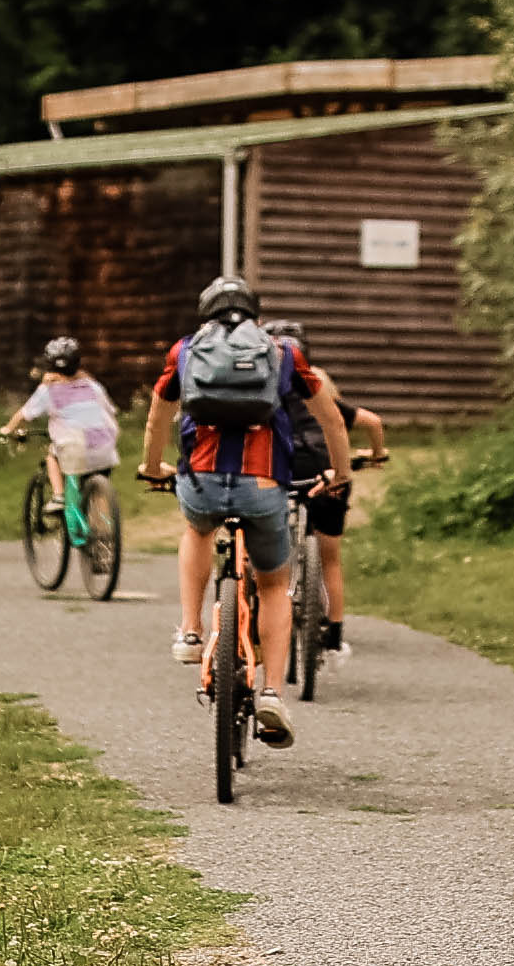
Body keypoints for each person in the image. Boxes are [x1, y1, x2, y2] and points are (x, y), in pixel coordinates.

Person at [136, 275, 348, 748]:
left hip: (203, 480)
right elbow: (330, 416)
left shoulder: (185, 351)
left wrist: (152, 467)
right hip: (263, 484)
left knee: (197, 532)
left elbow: (158, 415)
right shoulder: (283, 354)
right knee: (274, 583)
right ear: (254, 312)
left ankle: (191, 632)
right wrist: (341, 472)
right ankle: (272, 690)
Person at [269, 321, 384, 646]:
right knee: (329, 556)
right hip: (329, 470)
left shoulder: (265, 395)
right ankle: (333, 632)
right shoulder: (320, 388)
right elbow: (372, 422)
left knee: (266, 545)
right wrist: (376, 455)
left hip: (284, 469)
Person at [5, 336, 120, 555]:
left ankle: (58, 496)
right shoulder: (93, 386)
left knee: (53, 454)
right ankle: (105, 540)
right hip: (105, 445)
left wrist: (7, 430)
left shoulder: (48, 390)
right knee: (98, 492)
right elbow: (111, 412)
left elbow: (24, 414)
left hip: (75, 448)